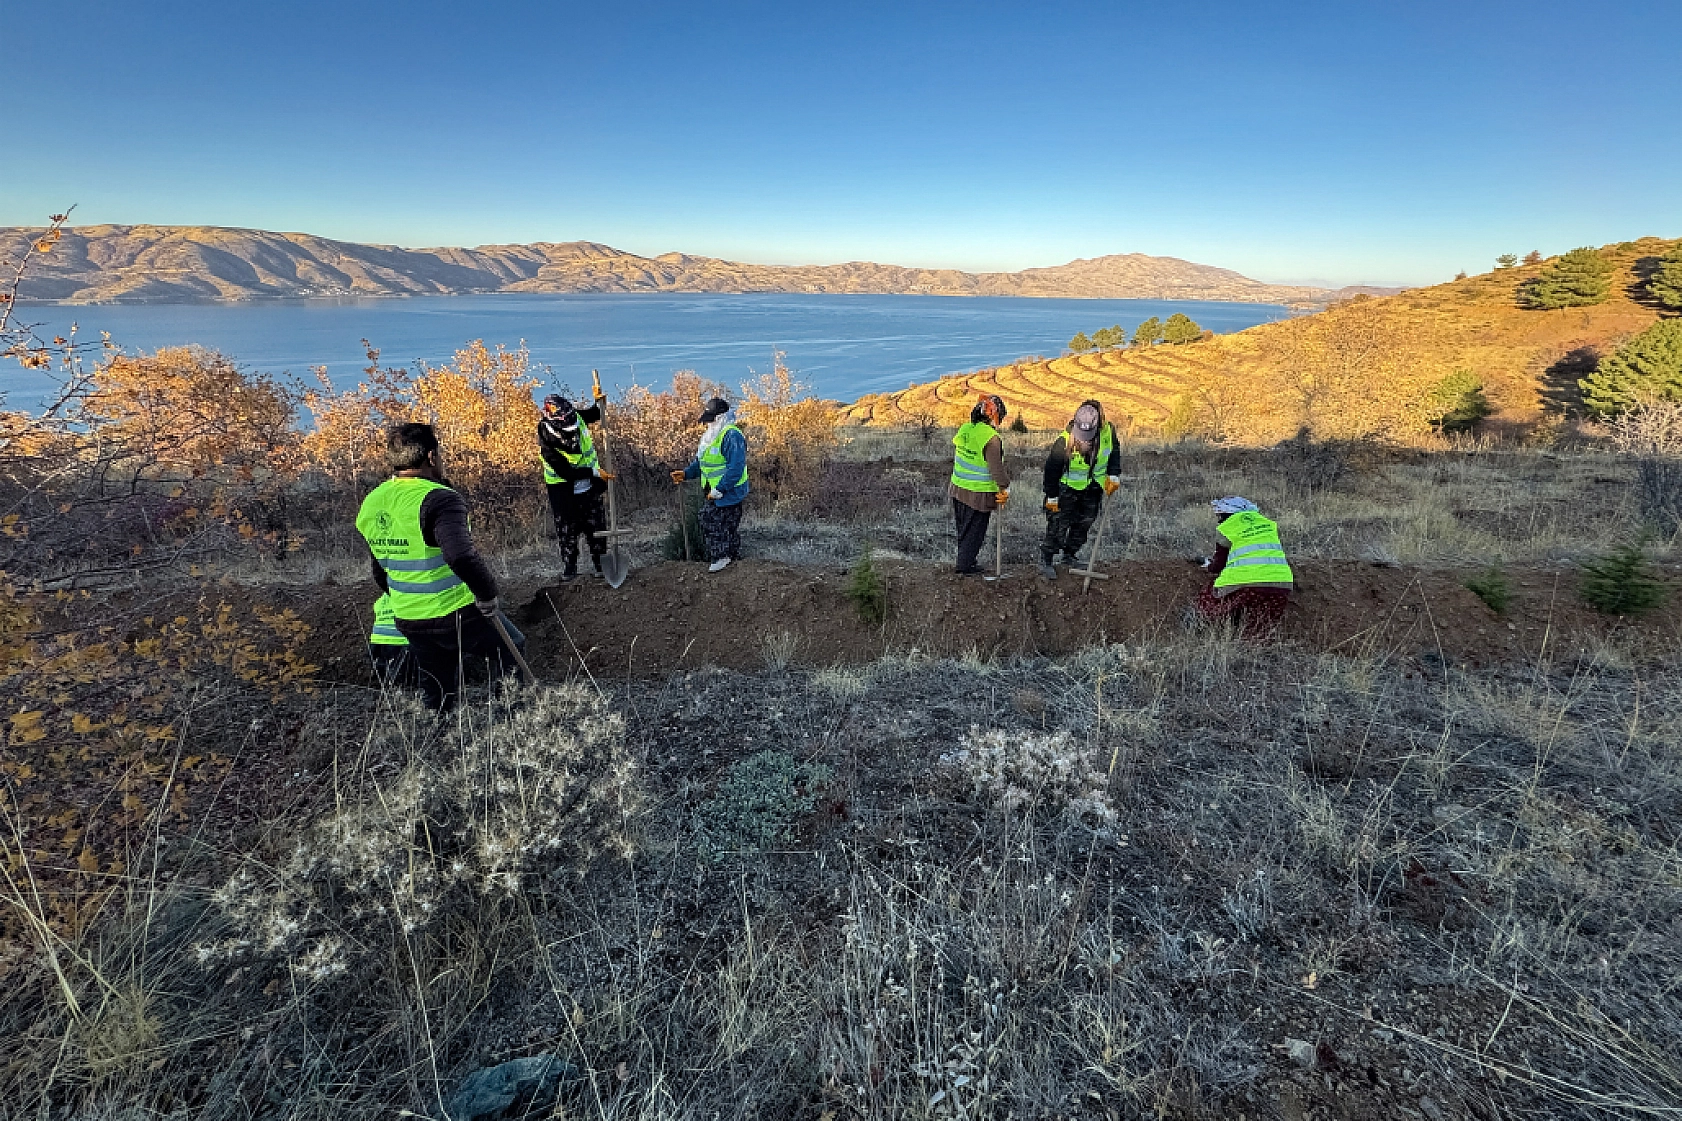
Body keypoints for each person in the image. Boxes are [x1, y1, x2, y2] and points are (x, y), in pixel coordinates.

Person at [356, 422, 527, 711]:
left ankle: (441, 736)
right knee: (511, 647)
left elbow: (379, 567)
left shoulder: (372, 503)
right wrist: (486, 595)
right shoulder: (440, 499)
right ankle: (514, 721)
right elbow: (461, 556)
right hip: (455, 610)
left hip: (408, 616)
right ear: (432, 457)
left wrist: (405, 598)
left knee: (437, 684)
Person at [1039, 400, 1121, 579]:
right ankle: (1046, 560)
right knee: (1057, 525)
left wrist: (1114, 474)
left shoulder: (1108, 431)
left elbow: (1114, 451)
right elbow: (1051, 468)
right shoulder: (1065, 440)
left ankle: (1069, 556)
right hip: (1066, 488)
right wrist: (1052, 496)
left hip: (1093, 487)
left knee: (1083, 524)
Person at [538, 390, 613, 581]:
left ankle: (600, 565)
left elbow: (594, 414)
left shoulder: (574, 416)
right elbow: (567, 473)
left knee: (596, 527)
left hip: (589, 489)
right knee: (567, 532)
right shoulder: (547, 440)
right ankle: (570, 569)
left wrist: (599, 403)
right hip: (564, 492)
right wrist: (594, 472)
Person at [1196, 496, 1294, 640]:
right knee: (1260, 627)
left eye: (1220, 515)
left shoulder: (1226, 528)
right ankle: (1257, 651)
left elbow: (1218, 566)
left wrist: (1208, 565)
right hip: (1282, 583)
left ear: (1227, 514)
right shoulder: (1268, 524)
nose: (1219, 519)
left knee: (1210, 596)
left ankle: (1199, 625)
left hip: (1246, 584)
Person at [671, 396, 749, 573]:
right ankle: (732, 558)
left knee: (710, 519)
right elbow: (702, 463)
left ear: (720, 417)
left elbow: (735, 468)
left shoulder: (731, 436)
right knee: (725, 524)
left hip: (730, 492)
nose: (708, 424)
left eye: (711, 419)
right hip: (714, 492)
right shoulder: (711, 436)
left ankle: (722, 557)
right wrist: (685, 473)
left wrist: (719, 489)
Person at [947, 394, 1011, 576]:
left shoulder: (966, 429)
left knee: (964, 530)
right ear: (994, 416)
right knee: (974, 532)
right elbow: (996, 469)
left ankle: (966, 561)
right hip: (977, 494)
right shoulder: (991, 439)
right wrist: (1005, 487)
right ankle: (965, 568)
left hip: (958, 488)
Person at [367, 590, 418, 689]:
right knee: (407, 683)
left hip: (376, 642)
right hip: (399, 642)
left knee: (386, 681)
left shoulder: (382, 599)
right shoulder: (411, 595)